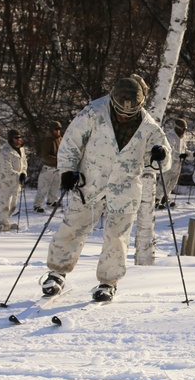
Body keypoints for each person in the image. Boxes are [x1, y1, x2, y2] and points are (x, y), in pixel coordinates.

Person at [41, 75, 170, 302]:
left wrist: (160, 154)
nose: (124, 115)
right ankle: (57, 272)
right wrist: (68, 170)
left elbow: (163, 160)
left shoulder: (149, 125)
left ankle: (108, 282)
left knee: (117, 238)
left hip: (125, 188)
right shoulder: (94, 111)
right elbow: (71, 141)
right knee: (73, 227)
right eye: (120, 110)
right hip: (89, 182)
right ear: (112, 100)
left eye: (130, 113)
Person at [0, 130, 28, 232]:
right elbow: (6, 169)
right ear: (11, 139)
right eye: (16, 138)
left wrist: (24, 174)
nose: (18, 140)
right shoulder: (5, 151)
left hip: (16, 182)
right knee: (5, 204)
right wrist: (19, 175)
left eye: (19, 138)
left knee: (13, 205)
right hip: (5, 182)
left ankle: (6, 221)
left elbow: (24, 163)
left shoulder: (21, 150)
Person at [157, 118, 187, 209]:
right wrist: (180, 155)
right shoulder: (169, 137)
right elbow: (169, 151)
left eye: (185, 129)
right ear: (177, 128)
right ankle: (156, 199)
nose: (184, 131)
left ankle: (165, 198)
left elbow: (184, 150)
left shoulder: (182, 138)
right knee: (163, 182)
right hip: (168, 163)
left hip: (177, 165)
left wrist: (191, 155)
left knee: (173, 183)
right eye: (183, 129)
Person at [33, 121, 62, 213]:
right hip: (48, 168)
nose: (58, 131)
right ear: (51, 130)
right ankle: (37, 205)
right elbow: (45, 156)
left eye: (59, 129)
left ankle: (51, 201)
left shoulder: (60, 139)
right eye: (56, 129)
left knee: (56, 185)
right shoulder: (47, 141)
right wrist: (58, 160)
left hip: (58, 167)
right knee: (43, 187)